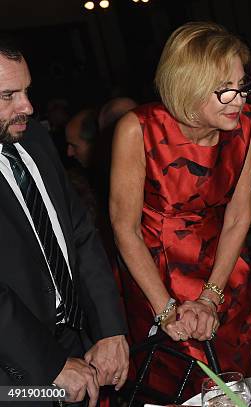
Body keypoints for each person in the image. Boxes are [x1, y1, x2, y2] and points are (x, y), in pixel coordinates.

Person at [110, 22, 251, 396]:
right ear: (188, 87)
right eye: (225, 90)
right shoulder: (137, 129)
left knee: (241, 374)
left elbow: (239, 214)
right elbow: (123, 227)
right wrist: (165, 309)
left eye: (242, 86)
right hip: (154, 271)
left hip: (223, 265)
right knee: (178, 383)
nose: (239, 100)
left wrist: (213, 294)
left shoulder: (250, 123)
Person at [0, 40, 128, 405]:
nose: (27, 106)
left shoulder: (34, 136)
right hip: (12, 373)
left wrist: (108, 329)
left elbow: (79, 233)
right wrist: (49, 364)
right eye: (8, 95)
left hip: (75, 337)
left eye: (26, 91)